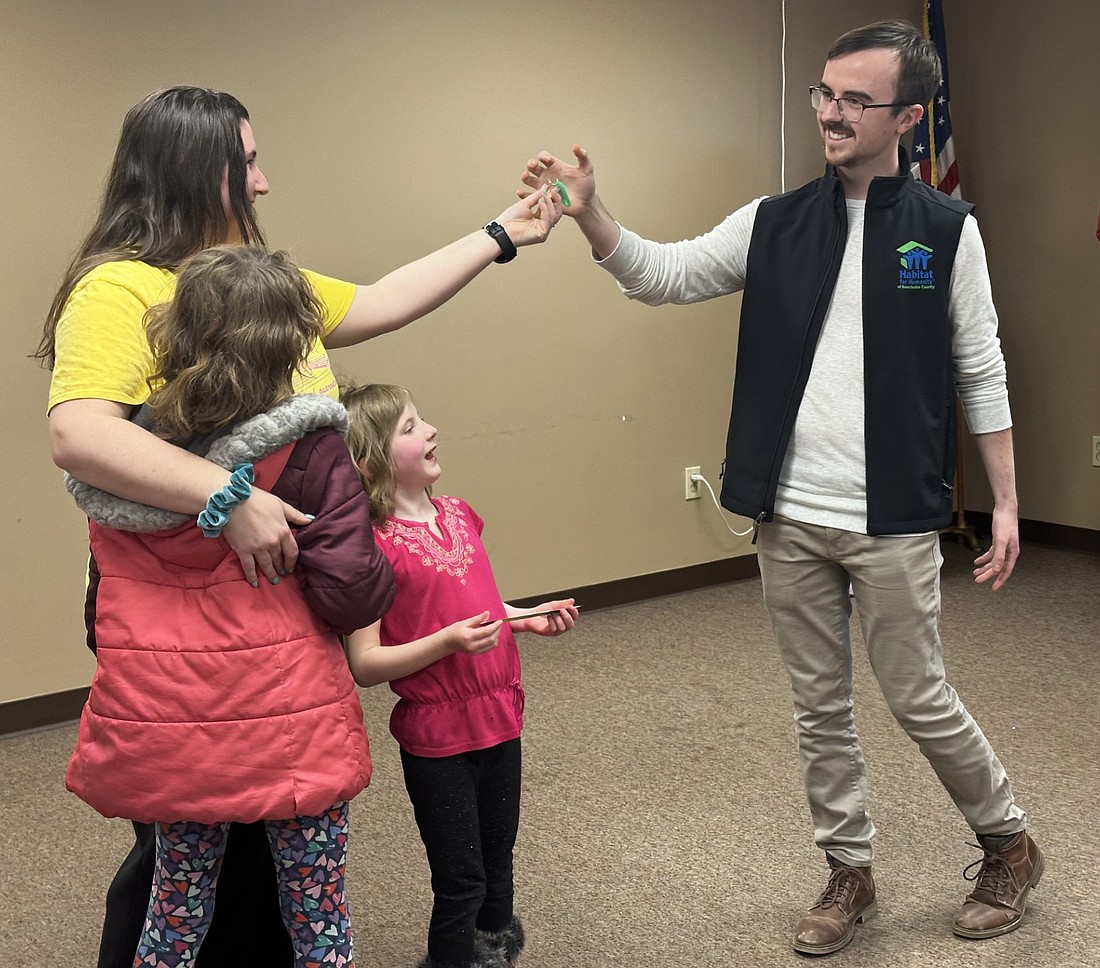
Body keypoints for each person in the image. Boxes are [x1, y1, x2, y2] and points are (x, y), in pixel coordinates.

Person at [519, 19, 1042, 957]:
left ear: (908, 118)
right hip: (788, 516)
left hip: (892, 517)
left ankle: (1008, 843)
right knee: (821, 705)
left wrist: (1004, 501)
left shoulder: (945, 232)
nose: (832, 115)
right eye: (824, 95)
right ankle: (850, 872)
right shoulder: (773, 220)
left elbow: (982, 368)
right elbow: (663, 275)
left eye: (855, 101)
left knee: (918, 696)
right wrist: (591, 213)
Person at [37, 86, 561, 968]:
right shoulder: (121, 289)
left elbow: (385, 299)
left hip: (284, 625)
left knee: (263, 840)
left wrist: (503, 232)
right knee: (187, 843)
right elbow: (79, 434)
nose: (263, 181)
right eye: (246, 161)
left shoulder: (253, 284)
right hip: (190, 628)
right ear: (194, 169)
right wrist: (227, 496)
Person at [64, 244, 397, 966]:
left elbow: (101, 612)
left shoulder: (130, 458)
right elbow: (347, 594)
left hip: (173, 726)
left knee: (177, 907)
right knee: (316, 912)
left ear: (172, 335)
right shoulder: (313, 452)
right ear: (292, 347)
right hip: (292, 724)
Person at [340, 383, 579, 968]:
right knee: (462, 880)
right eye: (411, 427)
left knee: (499, 868)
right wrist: (447, 643)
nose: (431, 431)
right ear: (372, 460)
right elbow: (365, 664)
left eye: (423, 421)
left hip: (500, 719)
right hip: (438, 739)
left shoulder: (460, 514)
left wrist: (521, 619)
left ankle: (498, 951)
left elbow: (475, 607)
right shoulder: (371, 548)